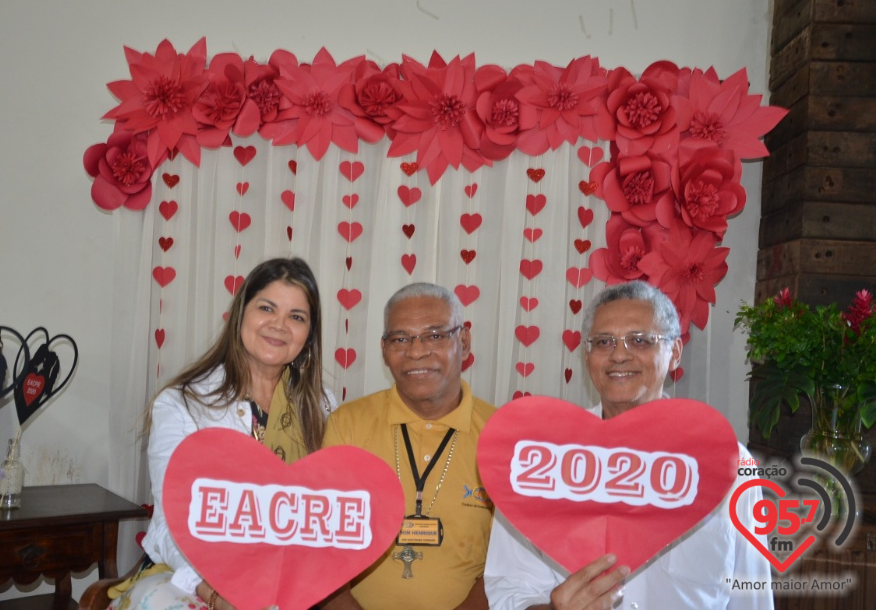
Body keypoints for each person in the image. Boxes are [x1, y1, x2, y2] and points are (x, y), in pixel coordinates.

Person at [484, 280, 773, 610]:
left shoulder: (729, 462)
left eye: (640, 340)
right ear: (587, 356)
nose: (619, 355)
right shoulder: (538, 462)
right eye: (604, 342)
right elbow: (508, 596)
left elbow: (752, 599)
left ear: (675, 352)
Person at [106, 257, 336, 610]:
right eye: (267, 308)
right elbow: (171, 523)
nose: (279, 325)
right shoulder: (183, 404)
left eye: (297, 317)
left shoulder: (323, 408)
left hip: (287, 583)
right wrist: (214, 590)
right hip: (190, 576)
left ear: (308, 335)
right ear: (241, 313)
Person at [320, 283, 496, 610]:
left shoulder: (502, 436)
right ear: (384, 349)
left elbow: (511, 566)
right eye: (401, 339)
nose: (416, 352)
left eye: (435, 335)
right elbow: (321, 552)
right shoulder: (348, 426)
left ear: (465, 341)